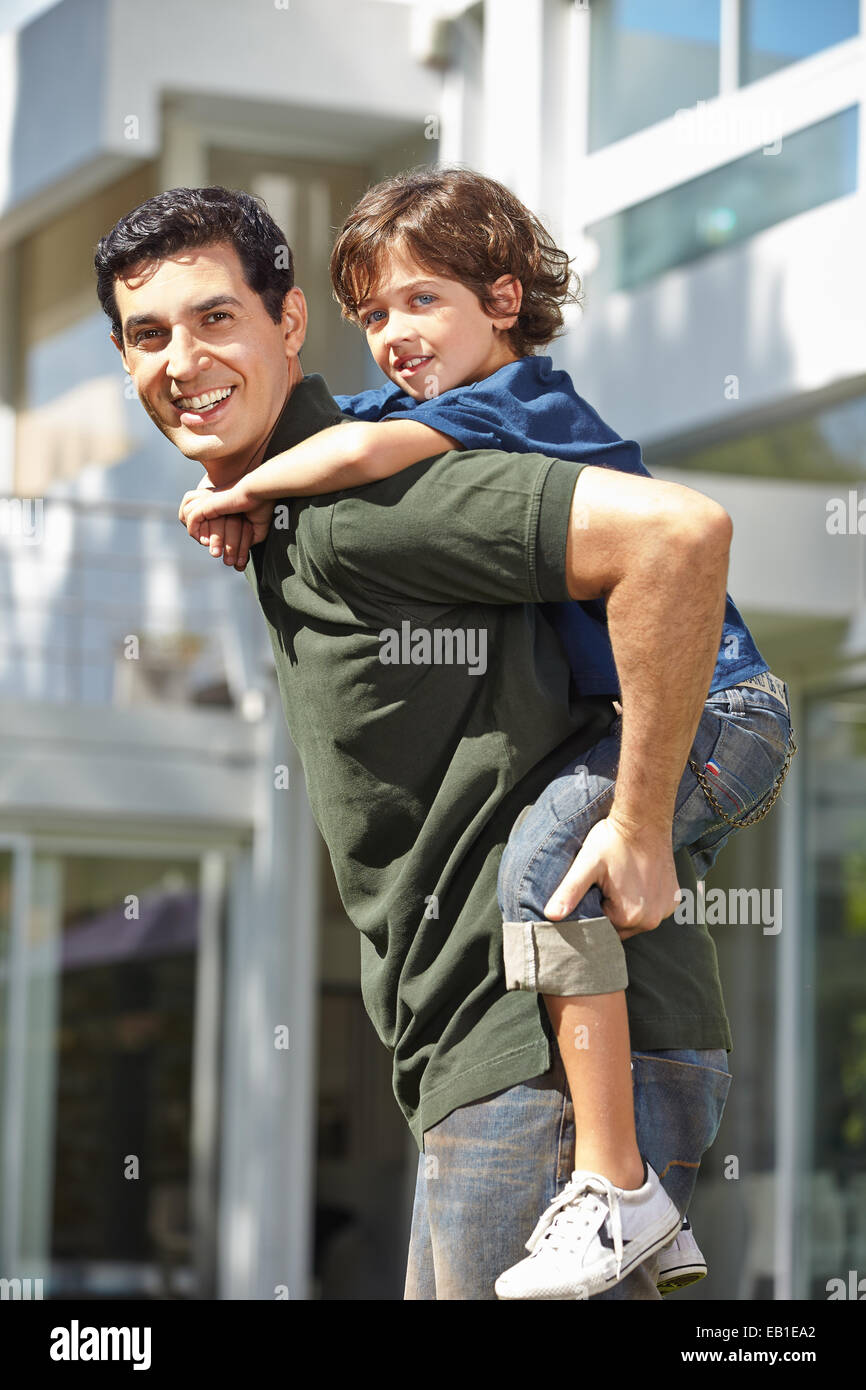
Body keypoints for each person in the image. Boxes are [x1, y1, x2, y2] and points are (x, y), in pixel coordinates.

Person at [96, 183, 735, 1301]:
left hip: (537, 1052)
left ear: (287, 325)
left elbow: (674, 537)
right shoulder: (314, 495)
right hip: (493, 1057)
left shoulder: (361, 505)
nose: (182, 360)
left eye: (215, 319)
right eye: (148, 334)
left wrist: (637, 822)